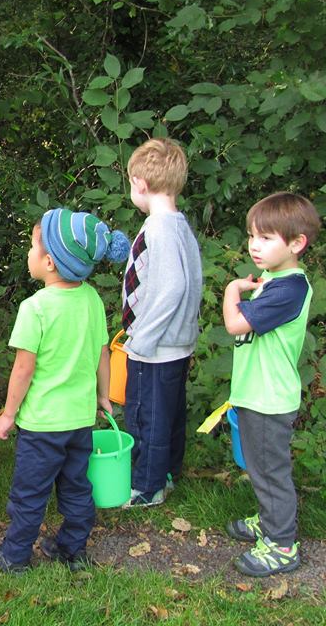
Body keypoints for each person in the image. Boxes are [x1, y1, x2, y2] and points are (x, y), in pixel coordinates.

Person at [0, 209, 128, 572]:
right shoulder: (93, 300)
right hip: (80, 420)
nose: (29, 252)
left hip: (41, 424)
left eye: (33, 246)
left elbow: (24, 368)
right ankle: (72, 549)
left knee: (30, 494)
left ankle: (15, 556)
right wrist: (103, 395)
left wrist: (7, 415)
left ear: (49, 261)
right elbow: (102, 353)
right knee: (76, 487)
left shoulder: (34, 308)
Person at [222, 192, 320, 577]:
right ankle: (270, 521)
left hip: (268, 399)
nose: (254, 245)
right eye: (251, 235)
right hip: (256, 395)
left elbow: (235, 324)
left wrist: (232, 291)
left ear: (296, 243)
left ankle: (281, 545)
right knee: (261, 467)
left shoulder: (289, 288)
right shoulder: (274, 280)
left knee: (269, 471)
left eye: (265, 237)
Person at [120, 138, 203, 507]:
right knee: (168, 413)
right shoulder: (178, 225)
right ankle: (167, 472)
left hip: (155, 346)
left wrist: (142, 340)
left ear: (140, 183)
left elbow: (173, 287)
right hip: (174, 343)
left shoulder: (159, 228)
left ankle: (147, 486)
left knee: (146, 416)